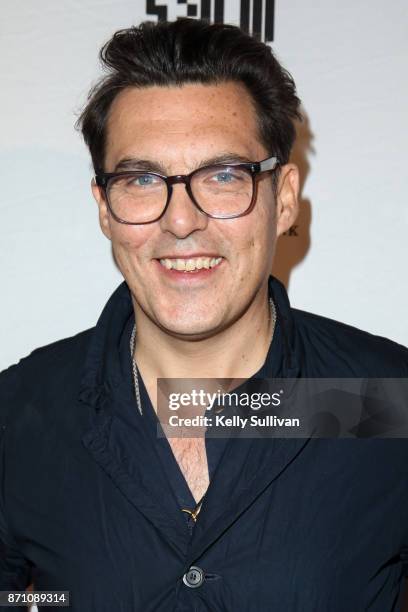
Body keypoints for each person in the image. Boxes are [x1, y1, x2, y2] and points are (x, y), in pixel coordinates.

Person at [1, 17, 408, 612]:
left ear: (284, 197)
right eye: (142, 179)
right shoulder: (19, 415)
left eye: (223, 175)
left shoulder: (388, 399)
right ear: (105, 208)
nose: (182, 221)